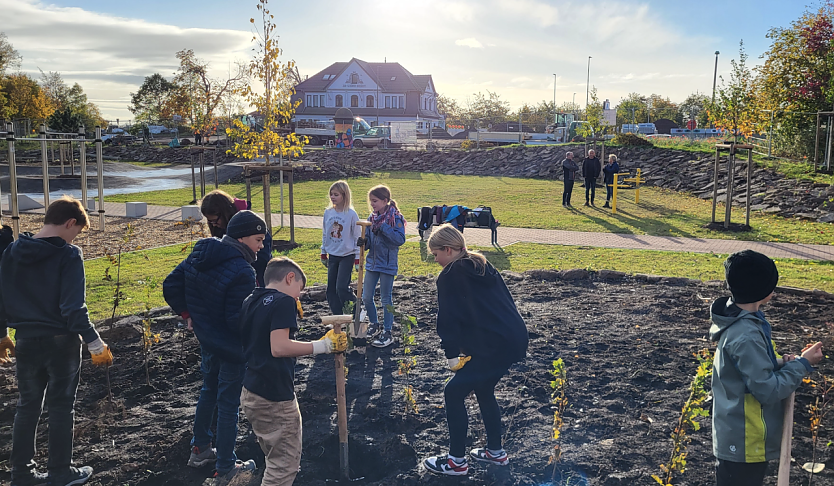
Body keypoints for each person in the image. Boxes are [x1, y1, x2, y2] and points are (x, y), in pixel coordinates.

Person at [0, 197, 113, 486]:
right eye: (76, 231)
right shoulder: (68, 255)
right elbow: (73, 309)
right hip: (61, 341)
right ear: (69, 222)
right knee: (61, 406)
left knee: (27, 406)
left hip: (25, 340)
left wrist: (3, 334)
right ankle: (61, 472)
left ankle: (22, 475)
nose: (75, 238)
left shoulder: (11, 251)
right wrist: (94, 342)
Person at [163, 210, 268, 483]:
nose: (261, 246)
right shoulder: (243, 270)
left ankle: (200, 449)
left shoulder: (202, 251)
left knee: (208, 390)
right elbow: (237, 321)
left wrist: (189, 316)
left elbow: (171, 284)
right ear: (242, 237)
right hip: (232, 348)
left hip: (206, 339)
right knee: (229, 404)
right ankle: (225, 468)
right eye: (258, 239)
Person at [710, 250, 824, 486]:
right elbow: (768, 390)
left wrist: (781, 363)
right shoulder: (746, 335)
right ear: (766, 292)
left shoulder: (742, 321)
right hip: (744, 438)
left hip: (739, 433)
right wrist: (802, 365)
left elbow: (752, 371)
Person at [422, 224, 528, 476]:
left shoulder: (450, 275)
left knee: (453, 392)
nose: (435, 260)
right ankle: (495, 452)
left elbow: (448, 318)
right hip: (512, 338)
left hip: (493, 344)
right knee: (483, 388)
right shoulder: (482, 265)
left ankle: (456, 461)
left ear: (448, 250)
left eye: (436, 254)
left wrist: (451, 354)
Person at [239, 257, 347, 486]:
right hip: (274, 397)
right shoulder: (283, 302)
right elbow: (278, 347)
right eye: (299, 289)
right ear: (290, 278)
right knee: (283, 465)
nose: (298, 297)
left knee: (273, 456)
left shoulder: (251, 299)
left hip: (252, 391)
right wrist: (323, 346)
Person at [361, 185, 406, 348]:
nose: (372, 204)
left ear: (385, 201)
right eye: (370, 201)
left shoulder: (395, 218)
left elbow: (400, 240)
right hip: (372, 263)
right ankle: (374, 323)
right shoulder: (371, 218)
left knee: (385, 298)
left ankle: (388, 331)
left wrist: (385, 228)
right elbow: (367, 241)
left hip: (387, 264)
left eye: (375, 201)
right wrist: (363, 242)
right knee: (366, 296)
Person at [201, 190, 272, 286]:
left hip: (257, 279)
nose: (213, 225)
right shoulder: (221, 228)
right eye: (210, 222)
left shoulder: (252, 224)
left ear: (224, 213)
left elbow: (263, 259)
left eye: (215, 221)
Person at [321, 181, 362, 315]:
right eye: (331, 194)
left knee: (341, 288)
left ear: (344, 196)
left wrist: (357, 259)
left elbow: (357, 237)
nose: (332, 197)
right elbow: (325, 233)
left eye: (336, 194)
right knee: (331, 290)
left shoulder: (350, 214)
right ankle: (338, 317)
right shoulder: (328, 213)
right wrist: (323, 252)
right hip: (333, 255)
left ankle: (358, 310)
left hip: (347, 255)